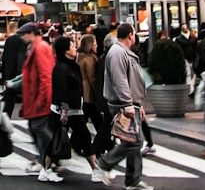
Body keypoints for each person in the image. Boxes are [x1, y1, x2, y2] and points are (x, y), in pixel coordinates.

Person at [94, 24, 149, 190]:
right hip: (123, 104)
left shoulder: (121, 52)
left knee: (134, 142)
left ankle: (133, 181)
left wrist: (139, 104)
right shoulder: (118, 52)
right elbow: (120, 81)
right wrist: (128, 104)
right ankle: (104, 163)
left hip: (131, 103)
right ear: (131, 35)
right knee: (134, 142)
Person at [52, 35, 99, 178]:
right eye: (72, 46)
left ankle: (96, 170)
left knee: (82, 138)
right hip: (67, 110)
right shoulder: (62, 67)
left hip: (74, 108)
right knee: (58, 140)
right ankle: (46, 169)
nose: (75, 48)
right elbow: (61, 90)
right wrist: (64, 110)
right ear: (66, 51)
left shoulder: (72, 64)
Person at [20, 23, 62, 183]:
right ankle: (48, 159)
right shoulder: (37, 47)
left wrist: (42, 99)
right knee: (36, 128)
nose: (22, 37)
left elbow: (46, 77)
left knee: (40, 129)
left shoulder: (40, 48)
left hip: (39, 98)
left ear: (31, 33)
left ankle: (50, 159)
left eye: (23, 34)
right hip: (35, 97)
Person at [1, 21, 28, 117]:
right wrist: (20, 75)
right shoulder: (22, 41)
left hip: (8, 74)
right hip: (18, 76)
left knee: (8, 104)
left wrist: (4, 75)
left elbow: (4, 58)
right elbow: (20, 59)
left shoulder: (9, 39)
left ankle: (4, 124)